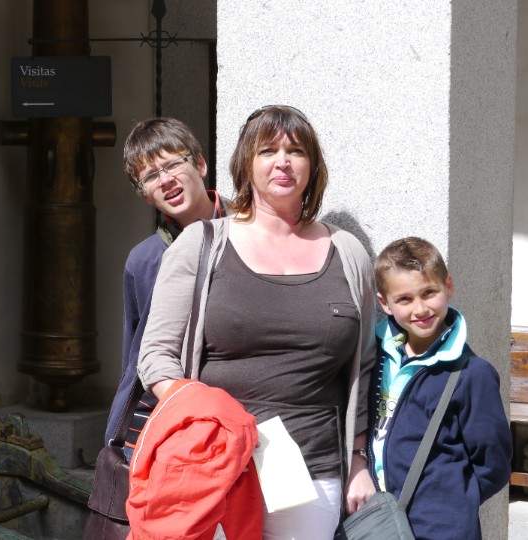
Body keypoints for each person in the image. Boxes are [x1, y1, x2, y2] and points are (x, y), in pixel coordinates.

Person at [137, 105, 376, 539]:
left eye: (296, 151)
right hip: (214, 465)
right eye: (268, 150)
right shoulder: (200, 244)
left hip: (312, 473)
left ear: (313, 166)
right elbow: (156, 357)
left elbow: (364, 366)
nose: (282, 161)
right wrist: (215, 415)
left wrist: (359, 460)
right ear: (246, 163)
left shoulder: (349, 253)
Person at [368, 237, 512, 540]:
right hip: (379, 521)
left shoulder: (472, 374)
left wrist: (453, 501)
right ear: (385, 304)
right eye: (404, 299)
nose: (420, 308)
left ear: (448, 286)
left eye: (428, 293)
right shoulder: (374, 357)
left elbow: (493, 464)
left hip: (442, 529)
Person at [104, 117, 228, 455]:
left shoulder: (248, 231)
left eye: (173, 164)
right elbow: (136, 355)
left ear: (200, 164)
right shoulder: (143, 261)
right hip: (172, 413)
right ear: (144, 194)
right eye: (150, 176)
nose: (166, 180)